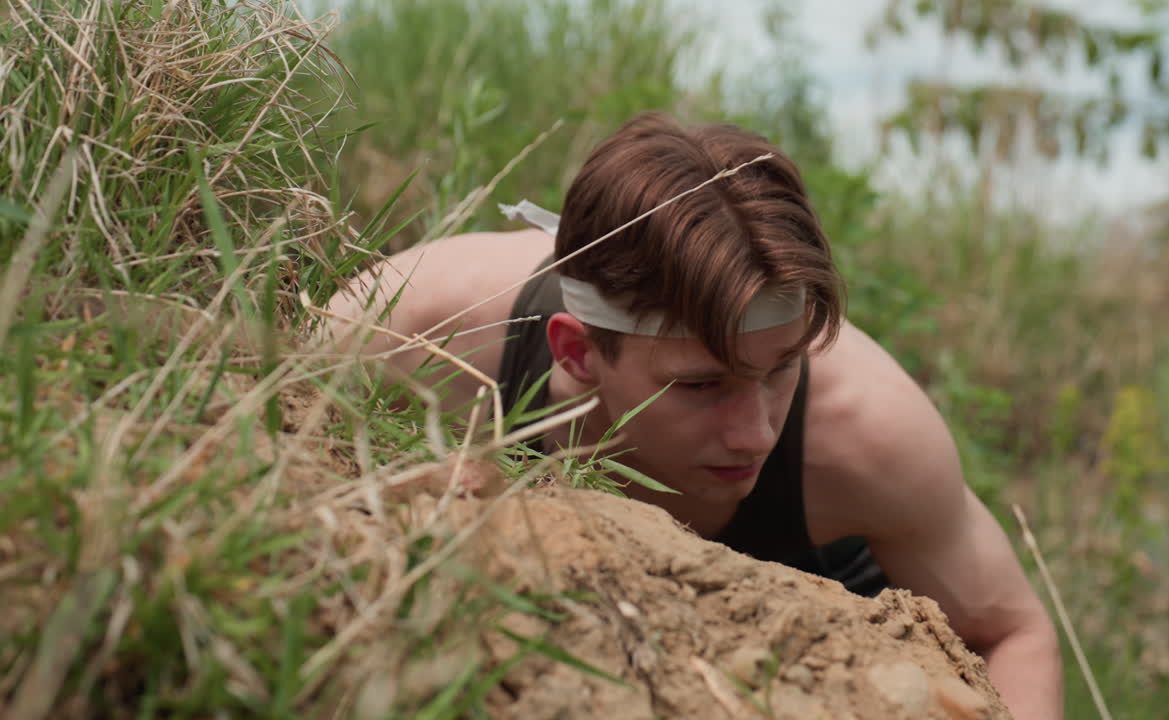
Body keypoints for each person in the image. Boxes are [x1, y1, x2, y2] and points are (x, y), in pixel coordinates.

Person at [326, 112, 1063, 718]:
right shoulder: (409, 332)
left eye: (781, 369)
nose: (756, 433)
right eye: (702, 386)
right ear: (577, 352)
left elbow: (1013, 631)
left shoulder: (868, 434)